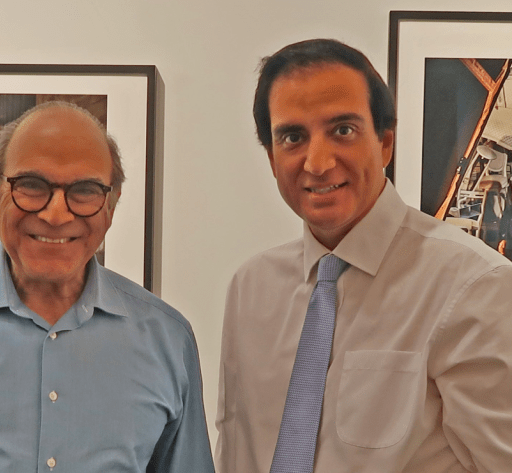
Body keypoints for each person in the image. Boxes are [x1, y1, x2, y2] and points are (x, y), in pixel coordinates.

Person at [215, 39, 512, 473]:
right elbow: (236, 452)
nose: (317, 163)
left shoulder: (475, 286)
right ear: (272, 159)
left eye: (342, 130)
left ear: (385, 142)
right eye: (293, 137)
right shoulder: (251, 288)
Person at [0, 101, 215, 472]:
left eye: (84, 189)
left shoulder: (167, 340)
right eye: (32, 185)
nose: (56, 214)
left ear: (111, 208)